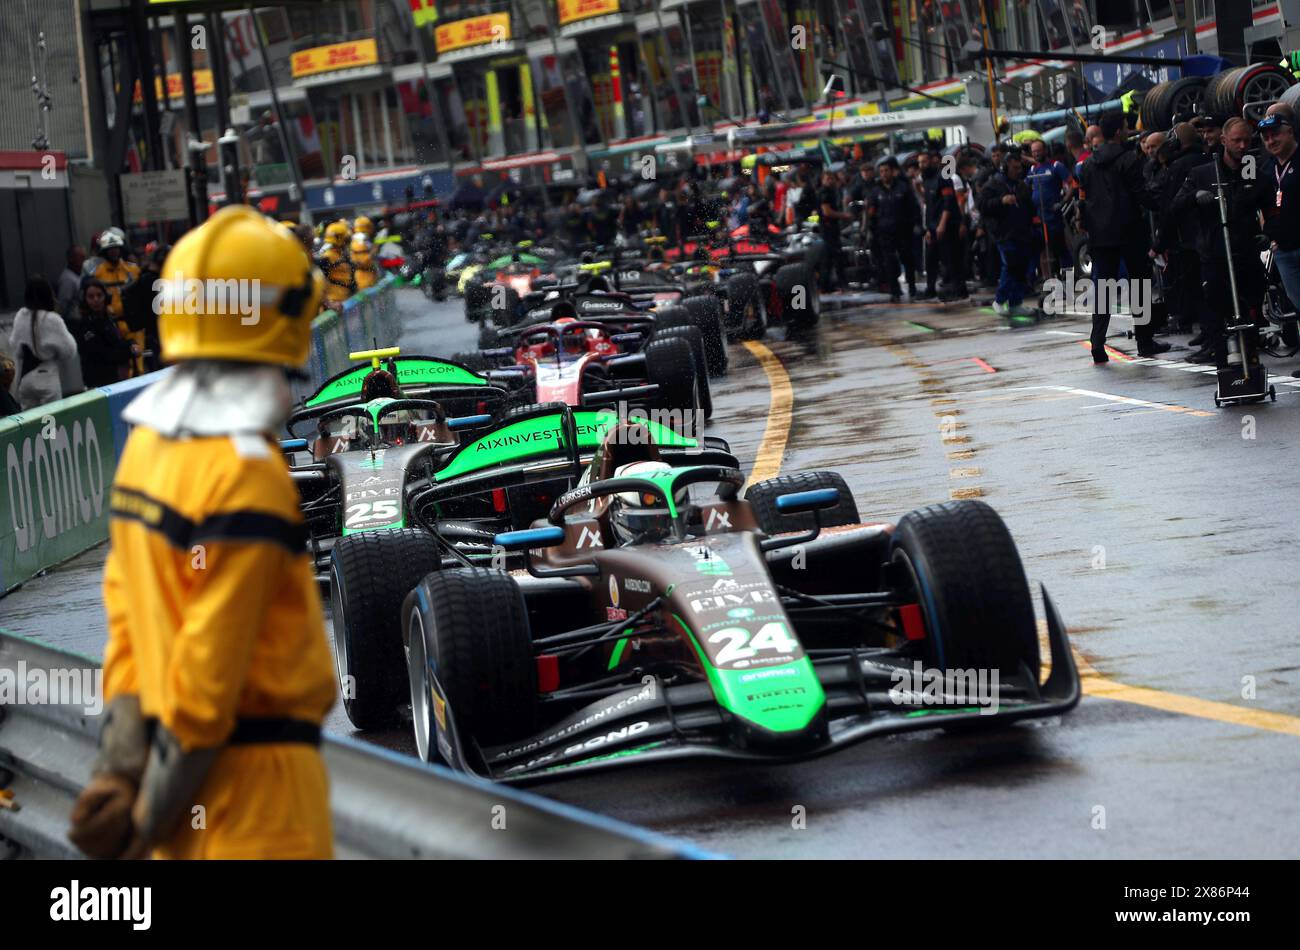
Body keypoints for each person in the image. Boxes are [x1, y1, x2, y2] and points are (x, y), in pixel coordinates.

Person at [67, 205, 335, 860]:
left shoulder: (146, 452)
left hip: (184, 811)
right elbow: (206, 685)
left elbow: (127, 627)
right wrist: (145, 819)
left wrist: (121, 774)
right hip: (260, 811)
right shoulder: (248, 476)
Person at [1173, 117, 1266, 366]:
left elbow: (1266, 199)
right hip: (1215, 253)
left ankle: (1252, 356)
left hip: (1245, 252)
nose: (1243, 146)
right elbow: (1176, 205)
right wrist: (1195, 196)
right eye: (1237, 141)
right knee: (1216, 306)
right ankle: (1223, 360)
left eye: (1247, 140)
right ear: (1224, 141)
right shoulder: (1204, 172)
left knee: (1251, 305)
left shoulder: (1251, 169)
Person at [1077, 110, 1168, 361]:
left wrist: (1085, 224)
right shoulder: (1129, 159)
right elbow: (1142, 194)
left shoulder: (1088, 163)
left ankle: (1097, 344)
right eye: (1126, 126)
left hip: (1100, 235)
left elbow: (1083, 200)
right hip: (1129, 230)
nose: (1129, 130)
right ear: (1118, 131)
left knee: (1103, 289)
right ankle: (1145, 341)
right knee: (1140, 286)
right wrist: (1163, 203)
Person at [1256, 110, 1300, 377]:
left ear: (1290, 131)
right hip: (1283, 249)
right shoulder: (1266, 168)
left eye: (1275, 134)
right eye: (1266, 137)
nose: (1271, 140)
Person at [977, 147, 1035, 317]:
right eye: (1015, 168)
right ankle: (1000, 299)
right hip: (1004, 233)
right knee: (1009, 265)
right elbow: (983, 206)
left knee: (1020, 267)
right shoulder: (993, 184)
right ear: (1006, 167)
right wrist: (1000, 201)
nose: (1018, 171)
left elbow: (1028, 206)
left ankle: (1016, 301)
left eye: (1019, 168)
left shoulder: (1021, 185)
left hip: (1022, 232)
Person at [8, 276, 79, 410]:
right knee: (52, 423)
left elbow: (15, 346)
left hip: (25, 379)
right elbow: (69, 350)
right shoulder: (52, 319)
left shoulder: (21, 316)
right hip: (47, 375)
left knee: (30, 424)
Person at [867, 156, 922, 301]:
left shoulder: (903, 188)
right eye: (882, 171)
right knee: (889, 261)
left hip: (903, 231)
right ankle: (895, 290)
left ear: (892, 172)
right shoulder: (875, 192)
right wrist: (871, 230)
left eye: (886, 171)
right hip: (884, 233)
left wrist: (917, 224)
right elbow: (871, 213)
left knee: (907, 259)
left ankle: (911, 286)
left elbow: (914, 207)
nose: (884, 174)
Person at [70, 278, 135, 387]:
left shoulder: (108, 319)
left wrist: (131, 344)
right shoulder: (84, 325)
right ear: (84, 300)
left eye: (99, 295)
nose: (96, 300)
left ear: (106, 297)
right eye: (91, 297)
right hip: (98, 384)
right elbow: (105, 353)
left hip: (115, 380)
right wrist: (128, 349)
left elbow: (117, 342)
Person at [818, 168, 852, 292]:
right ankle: (838, 284)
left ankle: (827, 285)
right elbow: (826, 211)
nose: (830, 181)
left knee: (830, 258)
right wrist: (844, 215)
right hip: (828, 229)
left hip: (831, 229)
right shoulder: (825, 192)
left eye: (832, 178)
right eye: (827, 179)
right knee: (834, 257)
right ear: (823, 180)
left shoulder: (832, 191)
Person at [57, 245, 86, 319]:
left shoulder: (82, 273)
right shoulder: (67, 280)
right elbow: (62, 307)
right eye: (81, 257)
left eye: (84, 257)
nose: (84, 260)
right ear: (71, 259)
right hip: (74, 322)